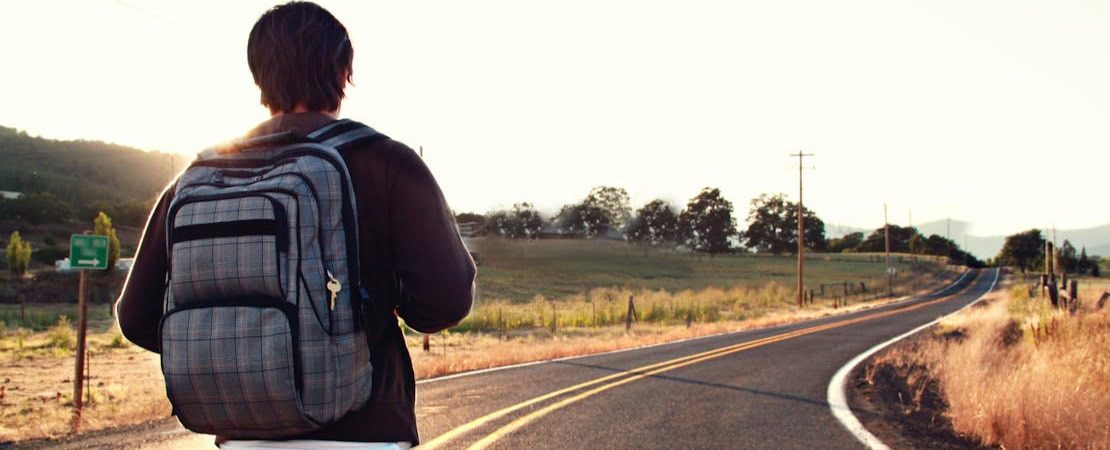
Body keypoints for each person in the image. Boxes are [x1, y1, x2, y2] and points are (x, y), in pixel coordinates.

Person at [115, 2, 475, 448]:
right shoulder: (387, 162)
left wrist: (239, 357)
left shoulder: (202, 174)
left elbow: (135, 316)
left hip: (240, 436)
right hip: (365, 432)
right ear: (344, 71)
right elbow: (445, 301)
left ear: (258, 75)